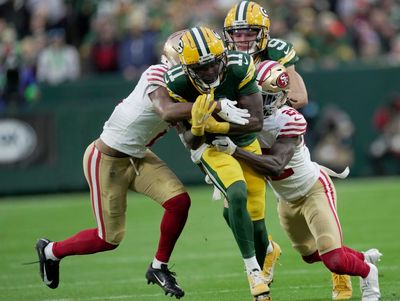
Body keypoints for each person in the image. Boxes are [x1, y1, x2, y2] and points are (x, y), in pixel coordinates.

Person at [35, 30, 249, 299]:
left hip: (137, 155)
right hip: (106, 158)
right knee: (108, 239)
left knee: (179, 202)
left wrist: (209, 168)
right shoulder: (156, 74)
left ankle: (158, 266)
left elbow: (189, 139)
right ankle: (50, 251)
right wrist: (216, 105)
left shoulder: (188, 90)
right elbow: (166, 111)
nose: (204, 72)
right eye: (196, 66)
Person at [212, 60, 382, 301]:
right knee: (311, 255)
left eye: (265, 97)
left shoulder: (289, 119)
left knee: (333, 259)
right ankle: (361, 257)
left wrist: (234, 151)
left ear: (281, 97)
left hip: (313, 191)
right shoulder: (243, 116)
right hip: (286, 199)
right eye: (255, 95)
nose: (257, 103)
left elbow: (276, 164)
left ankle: (369, 275)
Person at [164, 25, 271, 300]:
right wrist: (199, 128)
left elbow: (256, 122)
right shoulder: (177, 82)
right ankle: (252, 272)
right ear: (188, 69)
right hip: (212, 148)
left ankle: (262, 268)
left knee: (258, 224)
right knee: (236, 193)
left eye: (213, 63)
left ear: (222, 55)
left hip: (246, 141)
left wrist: (220, 127)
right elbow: (190, 141)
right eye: (201, 68)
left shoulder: (238, 65)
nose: (210, 71)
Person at [223, 1, 308, 110]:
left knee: (292, 120)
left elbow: (299, 96)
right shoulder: (222, 57)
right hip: (232, 115)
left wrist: (269, 109)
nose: (242, 40)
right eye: (237, 35)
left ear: (264, 33)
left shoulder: (276, 52)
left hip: (269, 115)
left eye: (249, 34)